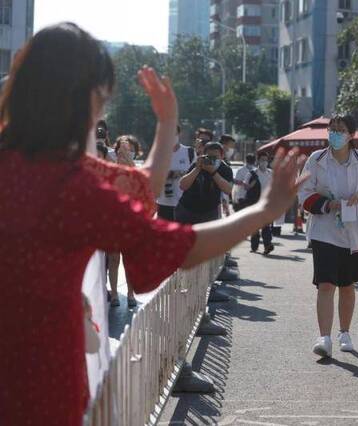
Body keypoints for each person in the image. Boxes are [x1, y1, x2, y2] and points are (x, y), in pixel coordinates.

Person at [0, 23, 305, 425]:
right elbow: (166, 242)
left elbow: (140, 189)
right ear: (80, 100)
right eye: (100, 99)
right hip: (39, 377)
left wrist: (166, 127)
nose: (101, 112)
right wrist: (263, 211)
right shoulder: (70, 184)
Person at [298, 114, 358, 358]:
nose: (335, 133)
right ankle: (324, 337)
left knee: (347, 285)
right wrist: (327, 204)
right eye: (332, 129)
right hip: (325, 231)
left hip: (353, 232)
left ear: (351, 135)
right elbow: (304, 193)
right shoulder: (317, 160)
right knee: (325, 284)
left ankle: (344, 332)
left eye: (341, 129)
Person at [107, 135, 144, 307]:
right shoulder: (109, 168)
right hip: (113, 220)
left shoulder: (138, 168)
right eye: (122, 149)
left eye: (129, 149)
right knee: (113, 259)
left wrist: (129, 163)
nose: (125, 152)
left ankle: (130, 294)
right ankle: (114, 294)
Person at [175, 141, 234, 224]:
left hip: (210, 212)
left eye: (215, 157)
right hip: (187, 209)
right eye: (209, 157)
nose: (212, 160)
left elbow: (228, 190)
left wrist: (213, 172)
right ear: (204, 155)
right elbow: (182, 186)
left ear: (222, 156)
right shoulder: (197, 165)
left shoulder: (225, 169)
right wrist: (197, 169)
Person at [156, 125, 195, 221]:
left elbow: (196, 173)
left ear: (179, 133)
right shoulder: (159, 153)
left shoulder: (189, 152)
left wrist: (179, 174)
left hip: (184, 203)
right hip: (164, 203)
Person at [249, 153, 275, 254]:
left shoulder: (271, 173)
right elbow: (245, 186)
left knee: (266, 226)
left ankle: (267, 245)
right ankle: (254, 246)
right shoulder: (252, 173)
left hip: (267, 204)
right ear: (258, 161)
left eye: (266, 160)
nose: (264, 162)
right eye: (262, 160)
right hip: (255, 203)